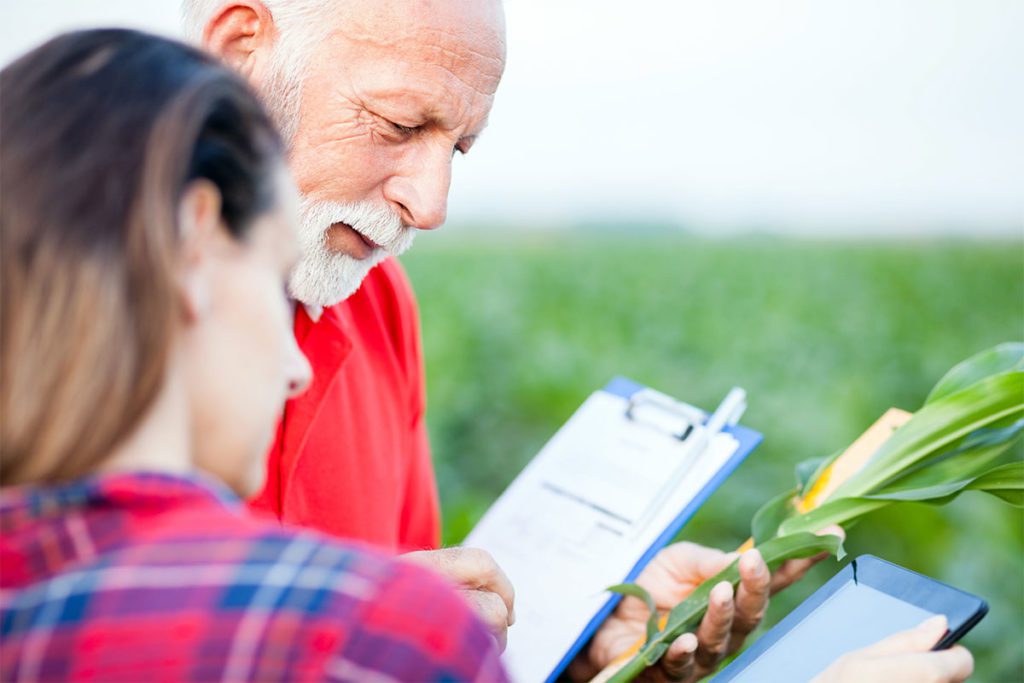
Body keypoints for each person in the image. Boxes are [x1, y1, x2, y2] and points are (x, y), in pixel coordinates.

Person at [0, 29, 504, 682]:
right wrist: (369, 627)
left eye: (460, 148)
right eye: (399, 124)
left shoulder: (380, 302)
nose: (431, 205)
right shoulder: (383, 633)